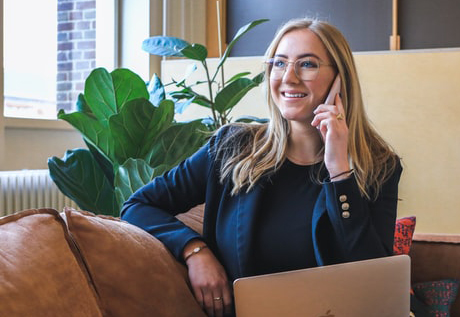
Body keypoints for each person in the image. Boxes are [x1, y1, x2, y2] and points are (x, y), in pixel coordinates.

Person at [121, 18, 402, 317]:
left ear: (340, 80)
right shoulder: (232, 148)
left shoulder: (379, 167)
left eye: (307, 64)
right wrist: (195, 250)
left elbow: (374, 280)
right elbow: (138, 205)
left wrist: (340, 172)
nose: (289, 77)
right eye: (279, 63)